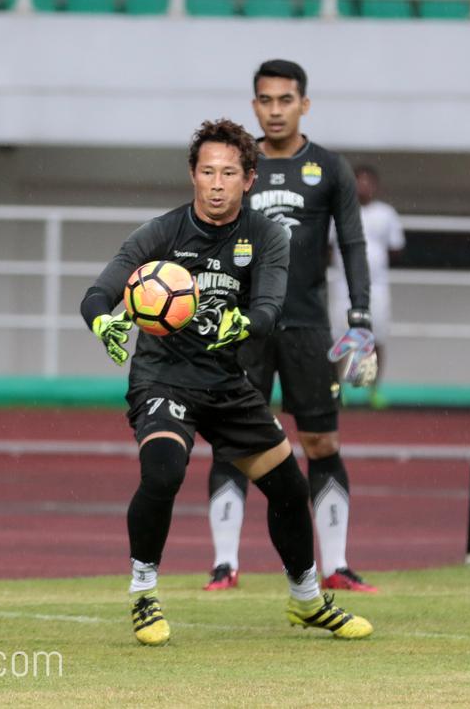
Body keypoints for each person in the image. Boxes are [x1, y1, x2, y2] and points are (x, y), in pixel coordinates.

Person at [81, 118, 372, 646]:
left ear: (249, 178)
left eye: (229, 173)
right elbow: (98, 292)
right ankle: (144, 594)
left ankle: (306, 600)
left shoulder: (267, 235)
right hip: (163, 378)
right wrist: (102, 320)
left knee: (288, 488)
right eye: (207, 172)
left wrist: (245, 324)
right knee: (164, 471)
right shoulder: (162, 232)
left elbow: (267, 306)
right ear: (192, 176)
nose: (217, 183)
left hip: (225, 382)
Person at [204, 59, 380, 594]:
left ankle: (337, 566)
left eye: (286, 100)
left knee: (321, 441)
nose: (275, 110)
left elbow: (351, 243)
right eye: (265, 100)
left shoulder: (328, 168)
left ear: (304, 104)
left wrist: (360, 318)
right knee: (232, 444)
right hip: (241, 326)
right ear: (253, 105)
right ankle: (225, 565)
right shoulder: (235, 166)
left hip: (307, 326)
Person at [328, 165, 406, 408]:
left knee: (376, 337)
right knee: (339, 338)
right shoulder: (339, 212)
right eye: (358, 182)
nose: (363, 187)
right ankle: (336, 389)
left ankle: (373, 391)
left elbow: (396, 248)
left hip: (377, 288)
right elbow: (328, 247)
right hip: (343, 287)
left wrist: (371, 265)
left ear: (375, 186)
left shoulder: (386, 213)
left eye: (367, 182)